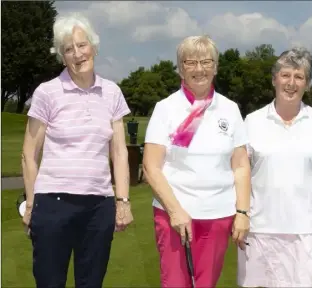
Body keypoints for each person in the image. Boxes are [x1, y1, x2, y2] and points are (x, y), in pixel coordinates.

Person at [21, 13, 133, 288]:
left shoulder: (112, 93)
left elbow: (119, 153)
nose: (77, 54)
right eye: (68, 49)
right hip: (52, 203)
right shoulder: (47, 92)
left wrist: (123, 201)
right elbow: (28, 153)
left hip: (98, 206)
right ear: (62, 57)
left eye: (82, 45)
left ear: (93, 47)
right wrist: (32, 204)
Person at [143, 35, 251, 288]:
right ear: (180, 68)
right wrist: (176, 211)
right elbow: (151, 166)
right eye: (190, 62)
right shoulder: (165, 108)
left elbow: (241, 165)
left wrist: (243, 212)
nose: (199, 69)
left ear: (216, 66)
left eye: (206, 62)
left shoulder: (230, 109)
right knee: (175, 283)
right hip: (174, 216)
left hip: (218, 214)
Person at [238, 47, 312, 287]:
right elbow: (241, 174)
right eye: (286, 75)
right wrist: (241, 215)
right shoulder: (252, 121)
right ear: (274, 79)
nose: (291, 83)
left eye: (299, 77)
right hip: (260, 229)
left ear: (307, 84)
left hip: (307, 231)